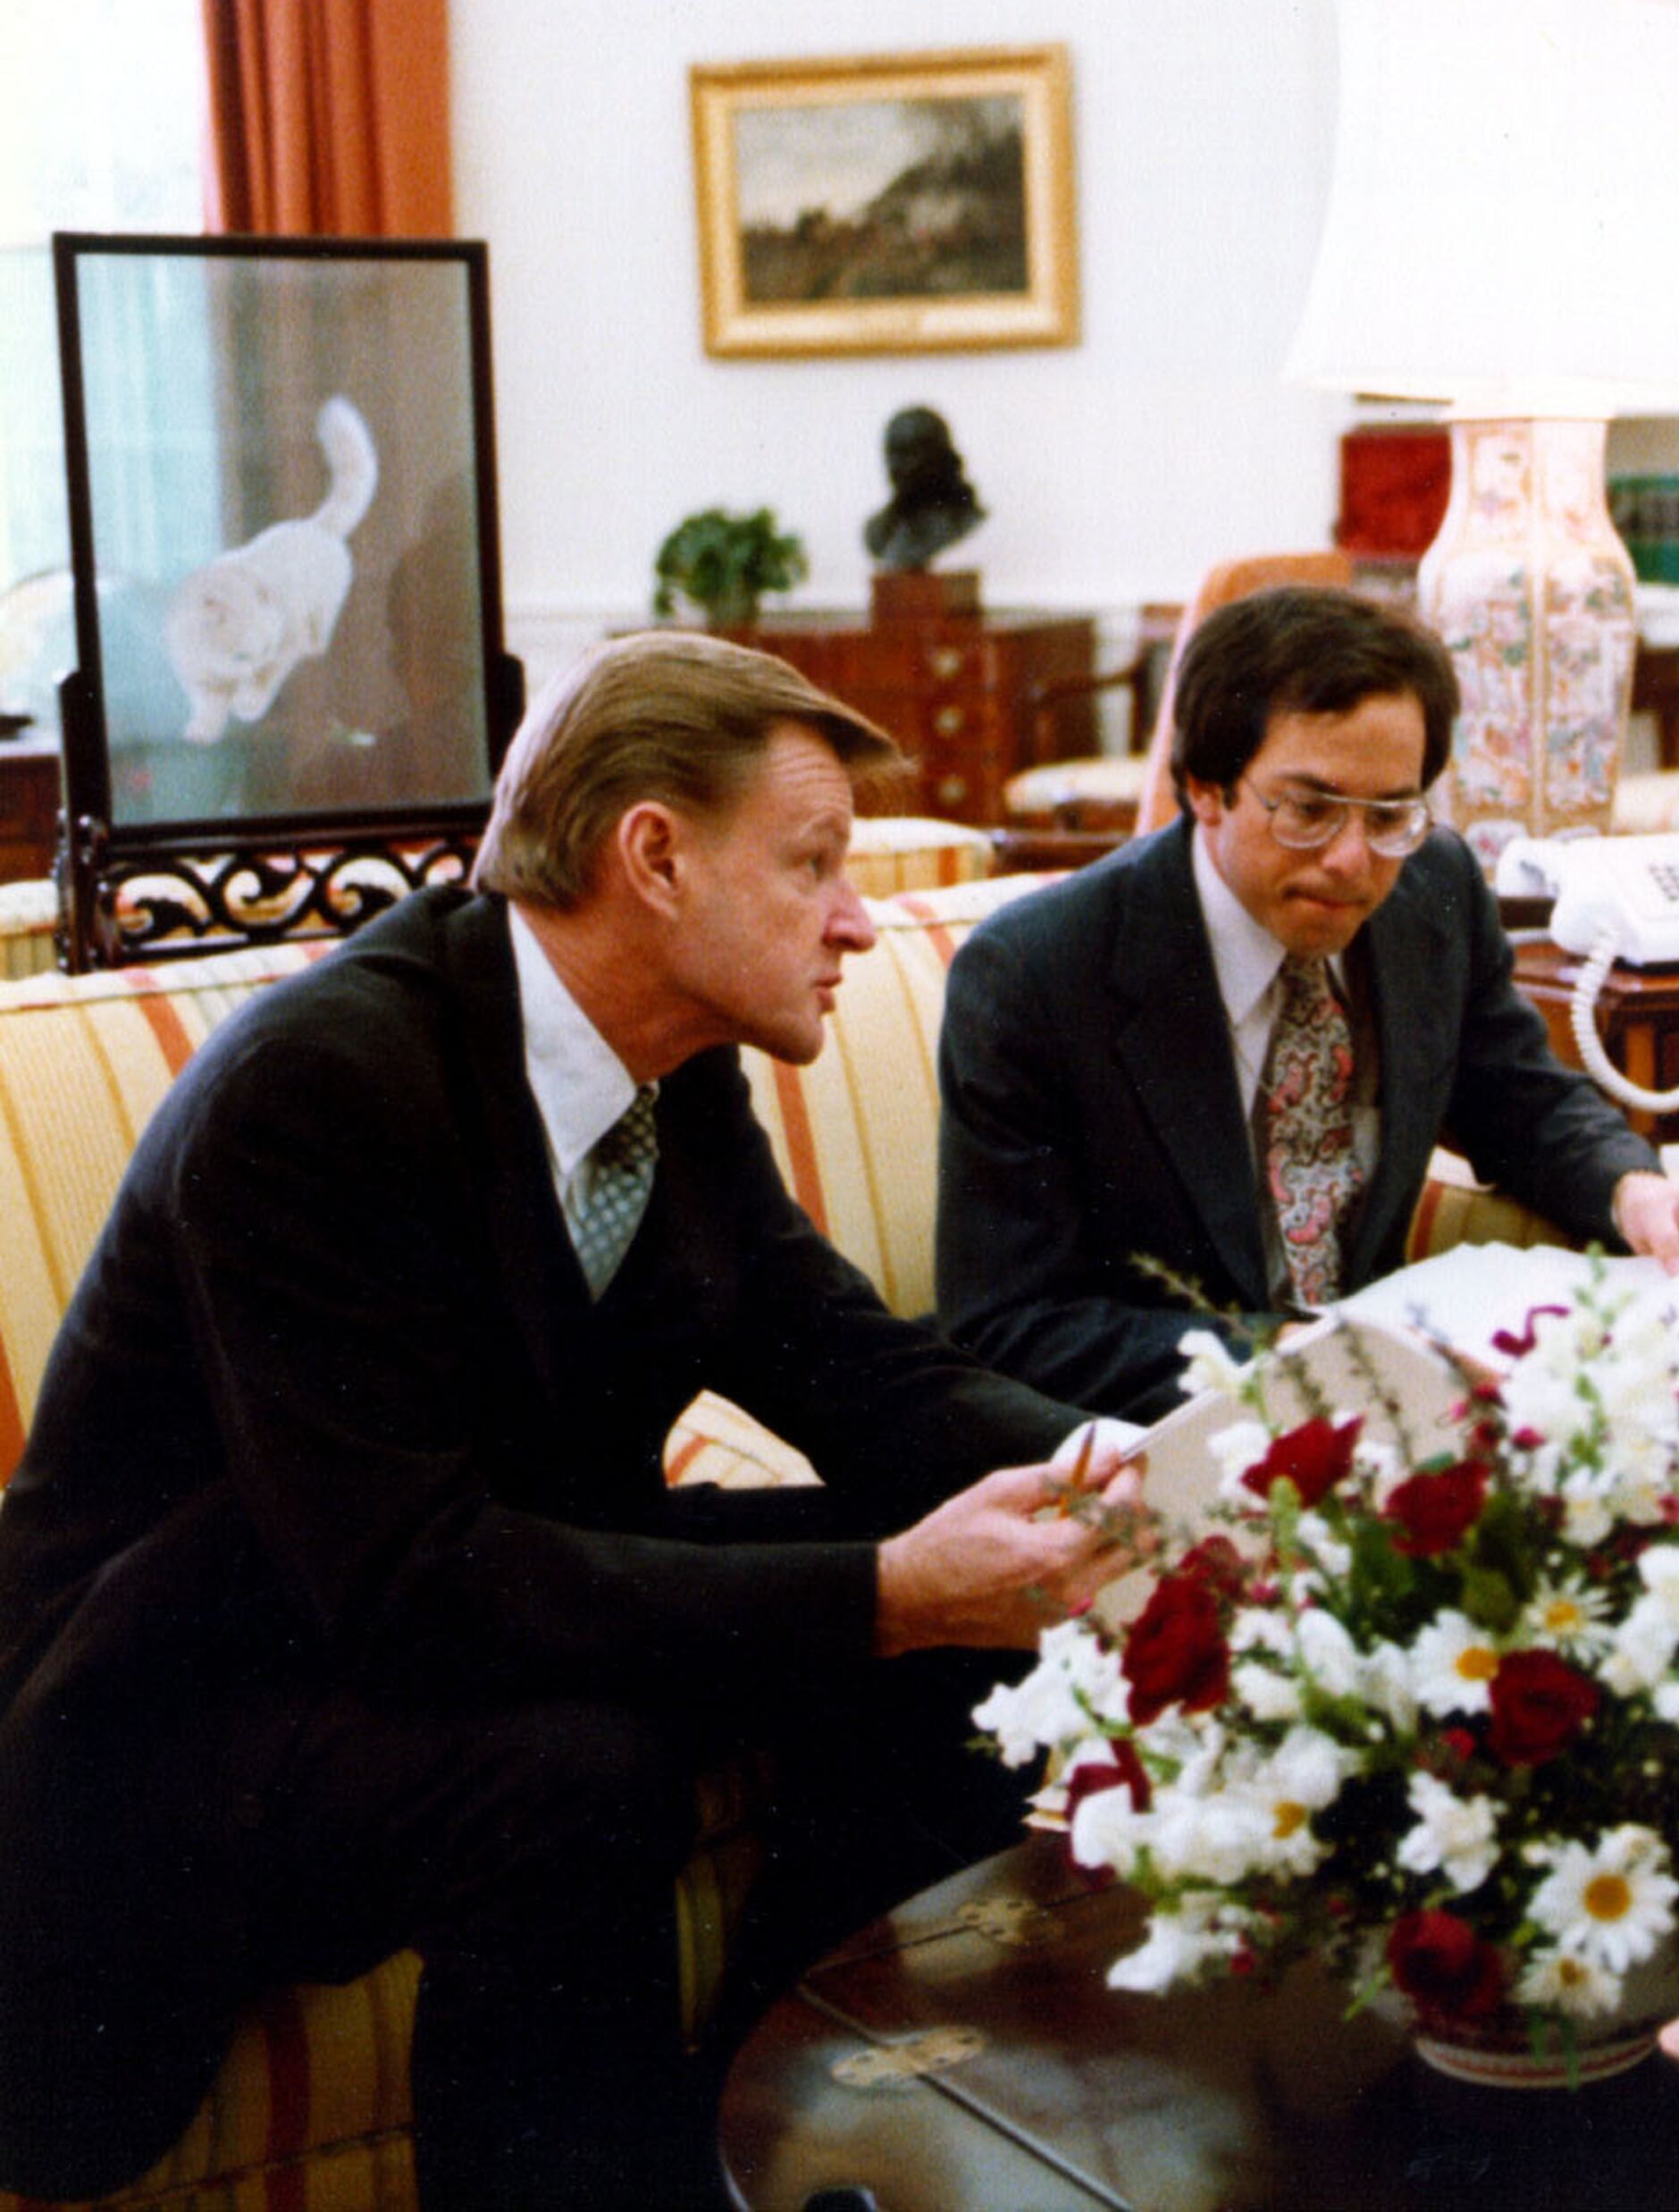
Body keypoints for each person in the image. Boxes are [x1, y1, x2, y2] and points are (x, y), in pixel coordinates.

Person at [0, 634, 1153, 2210]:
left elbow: (853, 1365)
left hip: (467, 1584)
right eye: (813, 862)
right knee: (573, 1766)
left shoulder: (667, 1070)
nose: (859, 916)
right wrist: (884, 1594)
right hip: (186, 1686)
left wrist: (1137, 1476)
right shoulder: (325, 1083)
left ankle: (779, 2127)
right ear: (656, 857)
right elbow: (408, 1579)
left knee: (990, 1612)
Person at [936, 582, 1679, 1423]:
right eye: (1310, 810)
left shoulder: (1434, 890)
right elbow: (1008, 1323)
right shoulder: (1036, 971)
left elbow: (1517, 1094)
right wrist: (1303, 1365)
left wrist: (1629, 1189)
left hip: (1408, 1410)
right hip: (1167, 1427)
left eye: (1390, 812)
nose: (1354, 860)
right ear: (1206, 788)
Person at [862, 402, 986, 572]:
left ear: (939, 458)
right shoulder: (878, 532)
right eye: (892, 453)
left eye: (909, 453)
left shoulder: (963, 520)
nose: (897, 466)